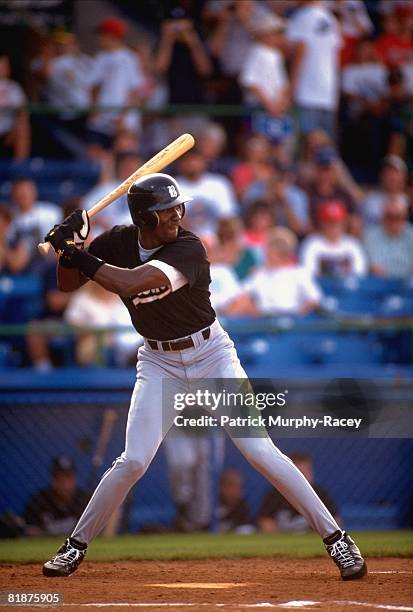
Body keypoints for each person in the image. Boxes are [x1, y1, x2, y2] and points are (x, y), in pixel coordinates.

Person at [41, 172, 366, 581]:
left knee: (260, 452)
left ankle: (337, 539)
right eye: (168, 211)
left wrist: (80, 252)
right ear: (146, 218)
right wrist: (68, 249)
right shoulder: (118, 243)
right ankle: (74, 546)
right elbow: (68, 283)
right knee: (133, 460)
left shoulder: (188, 248)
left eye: (178, 207)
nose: (178, 214)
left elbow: (131, 281)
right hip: (158, 363)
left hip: (212, 355)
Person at [229, 227, 322, 317]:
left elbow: (314, 299)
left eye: (270, 250)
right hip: (264, 321)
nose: (266, 254)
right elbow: (239, 293)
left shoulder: (300, 273)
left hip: (291, 322)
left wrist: (298, 316)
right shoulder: (260, 273)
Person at [287, 0, 342, 141]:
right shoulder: (331, 18)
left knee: (308, 142)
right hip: (328, 91)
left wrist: (292, 86)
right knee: (325, 142)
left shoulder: (302, 17)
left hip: (307, 90)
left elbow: (300, 50)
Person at [258, 452, 340, 533]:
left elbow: (336, 523)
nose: (306, 476)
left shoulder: (320, 494)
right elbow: (265, 522)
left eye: (308, 471)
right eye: (301, 473)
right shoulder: (276, 493)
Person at [24, 456, 89, 536]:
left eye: (68, 477)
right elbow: (29, 530)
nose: (65, 484)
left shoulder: (85, 501)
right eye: (60, 478)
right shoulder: (39, 502)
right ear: (53, 479)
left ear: (75, 478)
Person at [301, 201, 367, 278]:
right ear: (321, 223)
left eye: (337, 222)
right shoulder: (311, 244)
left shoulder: (353, 244)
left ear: (344, 223)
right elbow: (310, 275)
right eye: (329, 222)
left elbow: (359, 274)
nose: (333, 227)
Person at [364, 196, 413, 278]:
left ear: (405, 218)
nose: (393, 221)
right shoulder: (371, 236)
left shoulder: (411, 234)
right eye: (389, 216)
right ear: (382, 217)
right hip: (382, 284)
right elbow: (376, 269)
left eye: (398, 217)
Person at [0, 54, 30, 160]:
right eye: (2, 65)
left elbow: (22, 113)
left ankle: (19, 172)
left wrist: (14, 130)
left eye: (6, 65)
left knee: (23, 130)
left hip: (8, 131)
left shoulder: (14, 87)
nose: (4, 68)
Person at [218, 468, 254, 533]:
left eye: (239, 487)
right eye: (232, 486)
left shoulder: (242, 506)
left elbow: (245, 526)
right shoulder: (214, 503)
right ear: (222, 487)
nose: (235, 492)